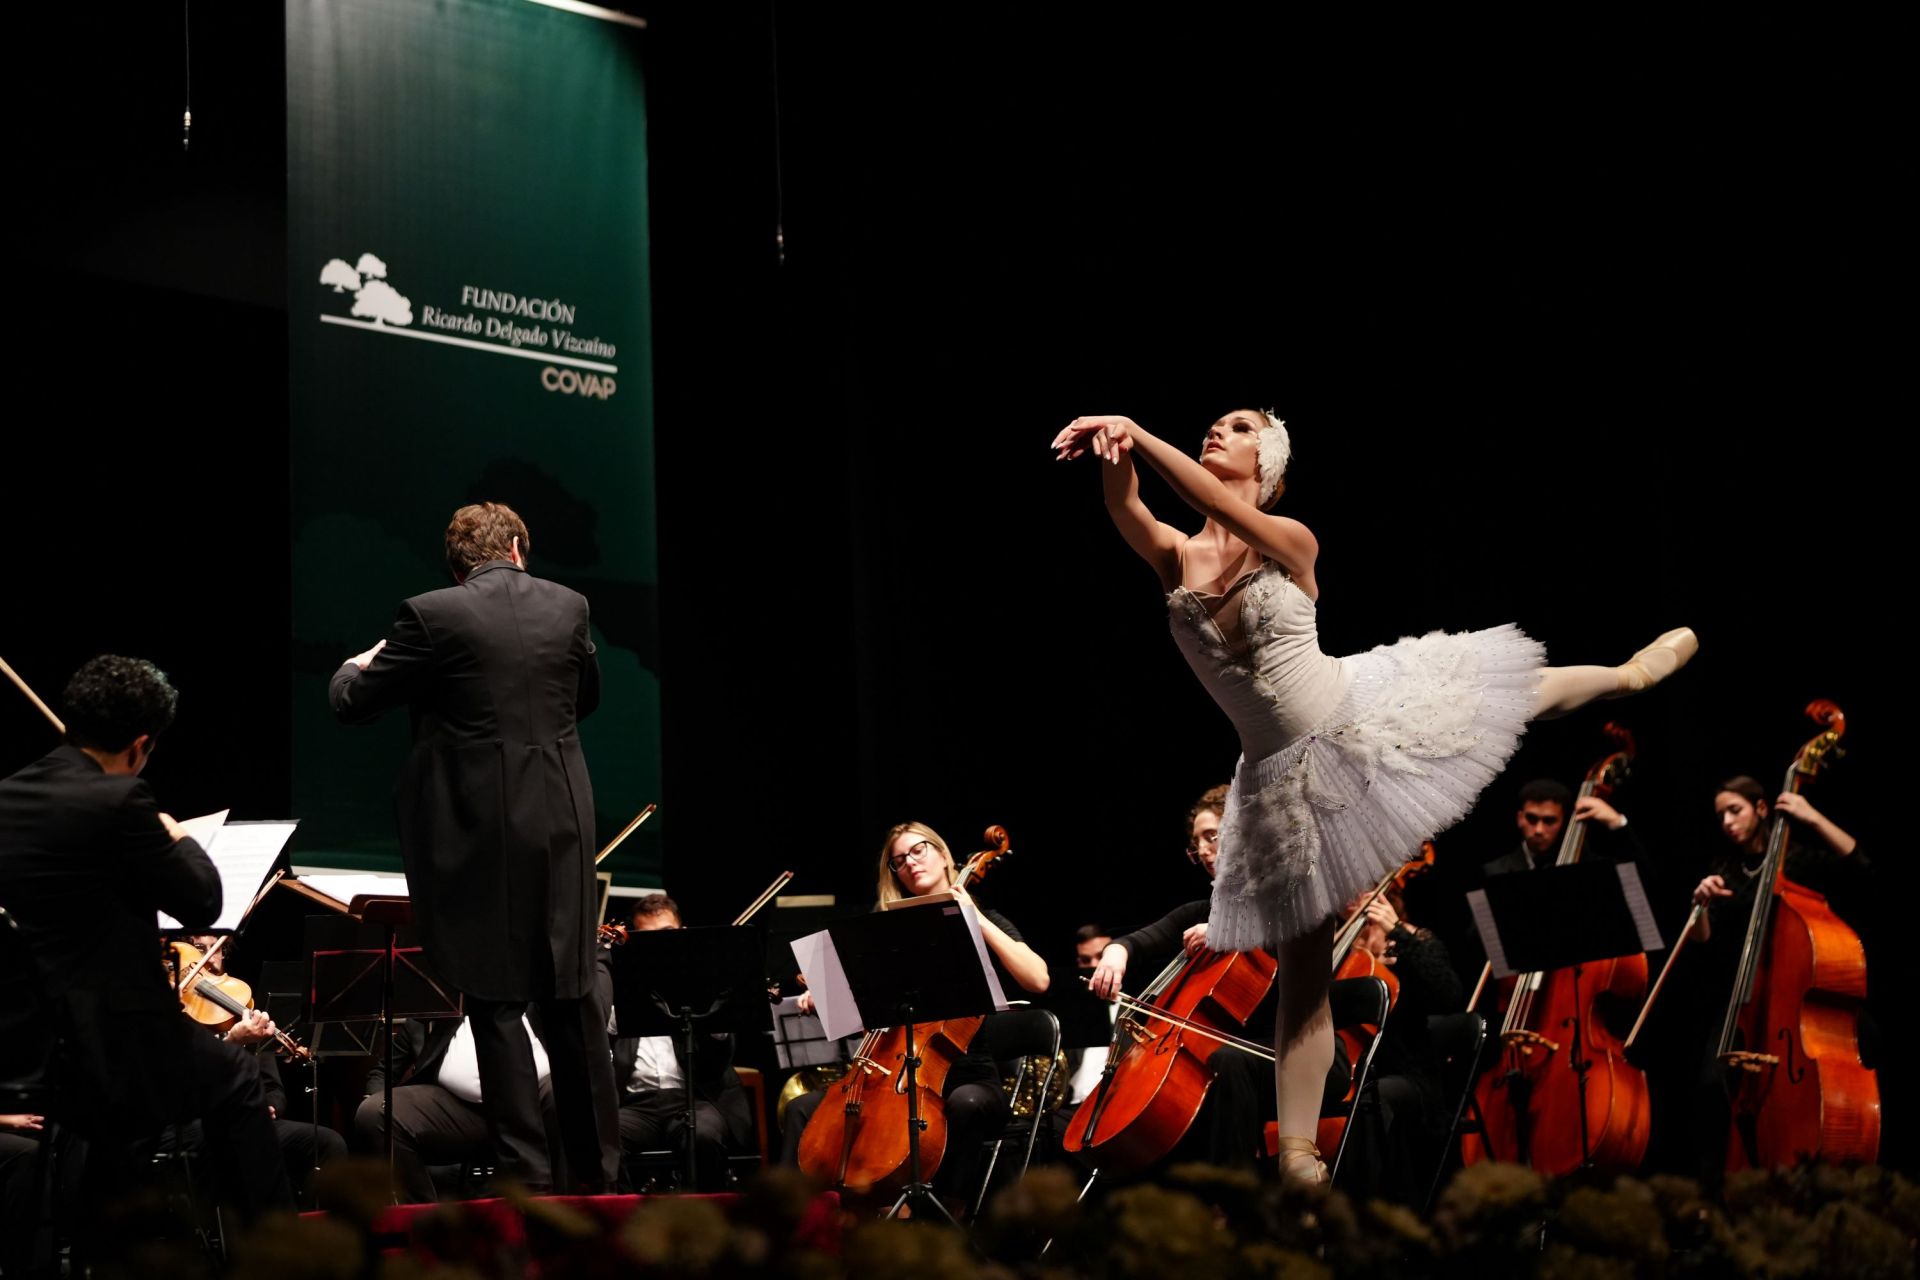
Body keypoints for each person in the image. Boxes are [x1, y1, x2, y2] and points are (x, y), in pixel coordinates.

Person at [1050, 410, 1698, 1183]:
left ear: (1270, 460)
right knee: (1303, 971)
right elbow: (1127, 507)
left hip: (1348, 716)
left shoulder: (1289, 537)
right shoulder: (1177, 555)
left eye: (1239, 426)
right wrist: (1112, 450)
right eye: (1215, 425)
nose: (1216, 431)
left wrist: (1136, 430)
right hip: (1277, 776)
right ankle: (1296, 1151)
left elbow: (1225, 508)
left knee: (1497, 690)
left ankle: (1628, 675)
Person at [330, 502, 619, 1193]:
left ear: (458, 568)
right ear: (520, 547)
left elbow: (353, 702)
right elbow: (587, 697)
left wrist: (353, 664)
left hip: (483, 831)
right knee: (572, 997)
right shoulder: (570, 605)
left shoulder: (432, 615)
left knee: (496, 1001)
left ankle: (528, 1174)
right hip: (564, 823)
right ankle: (598, 1176)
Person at [0, 655, 291, 1229]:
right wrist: (172, 830)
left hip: (21, 1050)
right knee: (234, 1075)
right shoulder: (122, 803)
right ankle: (280, 1253)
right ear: (139, 744)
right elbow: (203, 902)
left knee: (127, 1129)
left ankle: (118, 1240)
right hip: (106, 1052)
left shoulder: (5, 797)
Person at [781, 822, 1050, 1210]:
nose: (909, 863)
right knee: (800, 1108)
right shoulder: (885, 936)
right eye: (898, 861)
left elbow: (1038, 979)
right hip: (891, 1075)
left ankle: (948, 1213)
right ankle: (799, 1220)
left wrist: (974, 916)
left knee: (966, 1104)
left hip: (966, 1074)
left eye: (918, 851)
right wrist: (826, 993)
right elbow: (861, 1004)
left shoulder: (984, 917)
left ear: (943, 854)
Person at [1086, 784, 1274, 1172]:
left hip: (1278, 1043)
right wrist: (1115, 953)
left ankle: (1232, 1199)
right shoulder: (1200, 910)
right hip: (1218, 1049)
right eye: (1196, 843)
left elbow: (1290, 939)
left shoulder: (1280, 901)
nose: (1203, 850)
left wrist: (1228, 928)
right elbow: (1140, 939)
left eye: (1212, 837)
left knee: (1228, 1063)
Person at [603, 894, 754, 1192]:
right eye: (647, 939)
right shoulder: (618, 982)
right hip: (637, 1105)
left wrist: (712, 1023)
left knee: (703, 1136)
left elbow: (716, 1063)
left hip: (697, 1099)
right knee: (602, 1140)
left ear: (682, 934)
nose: (659, 947)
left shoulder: (705, 977)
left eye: (666, 935)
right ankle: (625, 1220)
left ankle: (707, 1221)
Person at [1480, 778, 1644, 878]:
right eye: (1532, 818)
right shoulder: (1494, 871)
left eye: (1549, 821)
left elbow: (1640, 876)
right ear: (1519, 818)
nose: (1538, 829)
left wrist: (1616, 822)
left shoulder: (1586, 865)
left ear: (1563, 822)